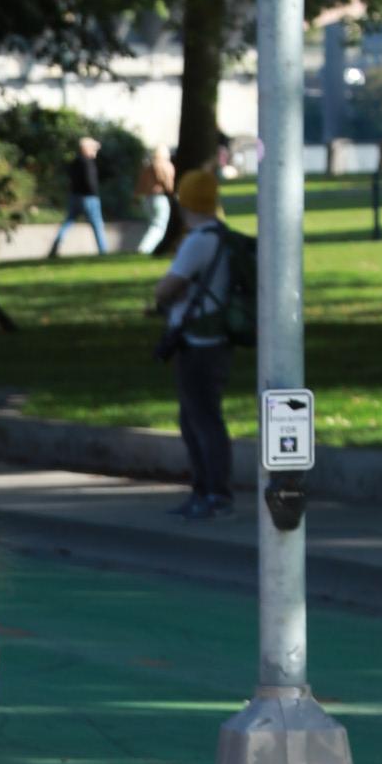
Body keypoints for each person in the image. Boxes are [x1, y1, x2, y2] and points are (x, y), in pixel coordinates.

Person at [152, 164, 236, 520]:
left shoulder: (198, 241)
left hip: (197, 341)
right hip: (216, 338)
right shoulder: (223, 236)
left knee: (200, 420)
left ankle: (214, 494)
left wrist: (158, 297)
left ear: (185, 202)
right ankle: (207, 491)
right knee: (199, 417)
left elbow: (167, 287)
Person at [45, 134, 108, 258]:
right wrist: (94, 194)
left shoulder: (75, 162)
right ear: (86, 148)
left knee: (68, 222)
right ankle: (103, 250)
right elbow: (90, 182)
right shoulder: (88, 162)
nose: (95, 151)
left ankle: (55, 246)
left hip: (75, 197)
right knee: (97, 225)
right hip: (89, 198)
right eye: (93, 148)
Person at [134, 142, 177, 256]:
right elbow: (168, 183)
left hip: (147, 199)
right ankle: (144, 249)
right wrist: (173, 194)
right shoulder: (165, 165)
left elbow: (140, 185)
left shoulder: (148, 166)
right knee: (158, 226)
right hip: (159, 198)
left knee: (153, 225)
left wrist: (136, 198)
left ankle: (148, 249)